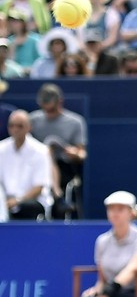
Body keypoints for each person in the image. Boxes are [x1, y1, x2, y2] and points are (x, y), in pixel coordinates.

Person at [78, 191, 137, 297]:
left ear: (131, 213)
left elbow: (133, 268)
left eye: (120, 209)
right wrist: (96, 292)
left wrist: (111, 288)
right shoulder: (102, 241)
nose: (115, 213)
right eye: (111, 209)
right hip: (109, 292)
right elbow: (101, 280)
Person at [30, 83, 87, 219]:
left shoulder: (75, 121)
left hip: (64, 168)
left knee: (50, 146)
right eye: (44, 108)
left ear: (60, 101)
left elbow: (82, 153)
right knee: (47, 149)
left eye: (51, 109)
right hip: (35, 168)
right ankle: (58, 196)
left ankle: (57, 194)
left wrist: (72, 152)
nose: (47, 112)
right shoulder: (32, 120)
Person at [0, 110, 52, 221]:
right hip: (5, 201)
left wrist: (17, 200)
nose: (15, 129)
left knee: (25, 207)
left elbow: (39, 187)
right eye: (12, 126)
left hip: (33, 202)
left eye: (20, 126)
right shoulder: (1, 149)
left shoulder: (41, 151)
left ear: (29, 127)